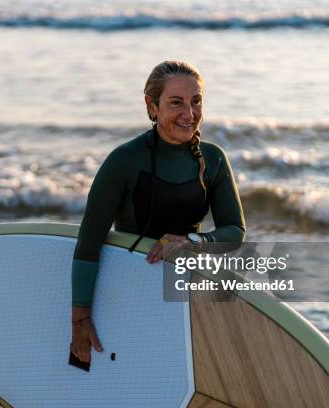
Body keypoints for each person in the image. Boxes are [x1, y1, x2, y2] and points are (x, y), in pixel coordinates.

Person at [70, 60, 246, 366]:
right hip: (128, 289)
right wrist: (80, 320)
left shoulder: (213, 159)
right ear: (152, 107)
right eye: (176, 103)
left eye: (196, 102)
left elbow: (234, 233)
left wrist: (193, 241)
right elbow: (88, 244)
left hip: (184, 292)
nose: (189, 114)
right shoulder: (124, 161)